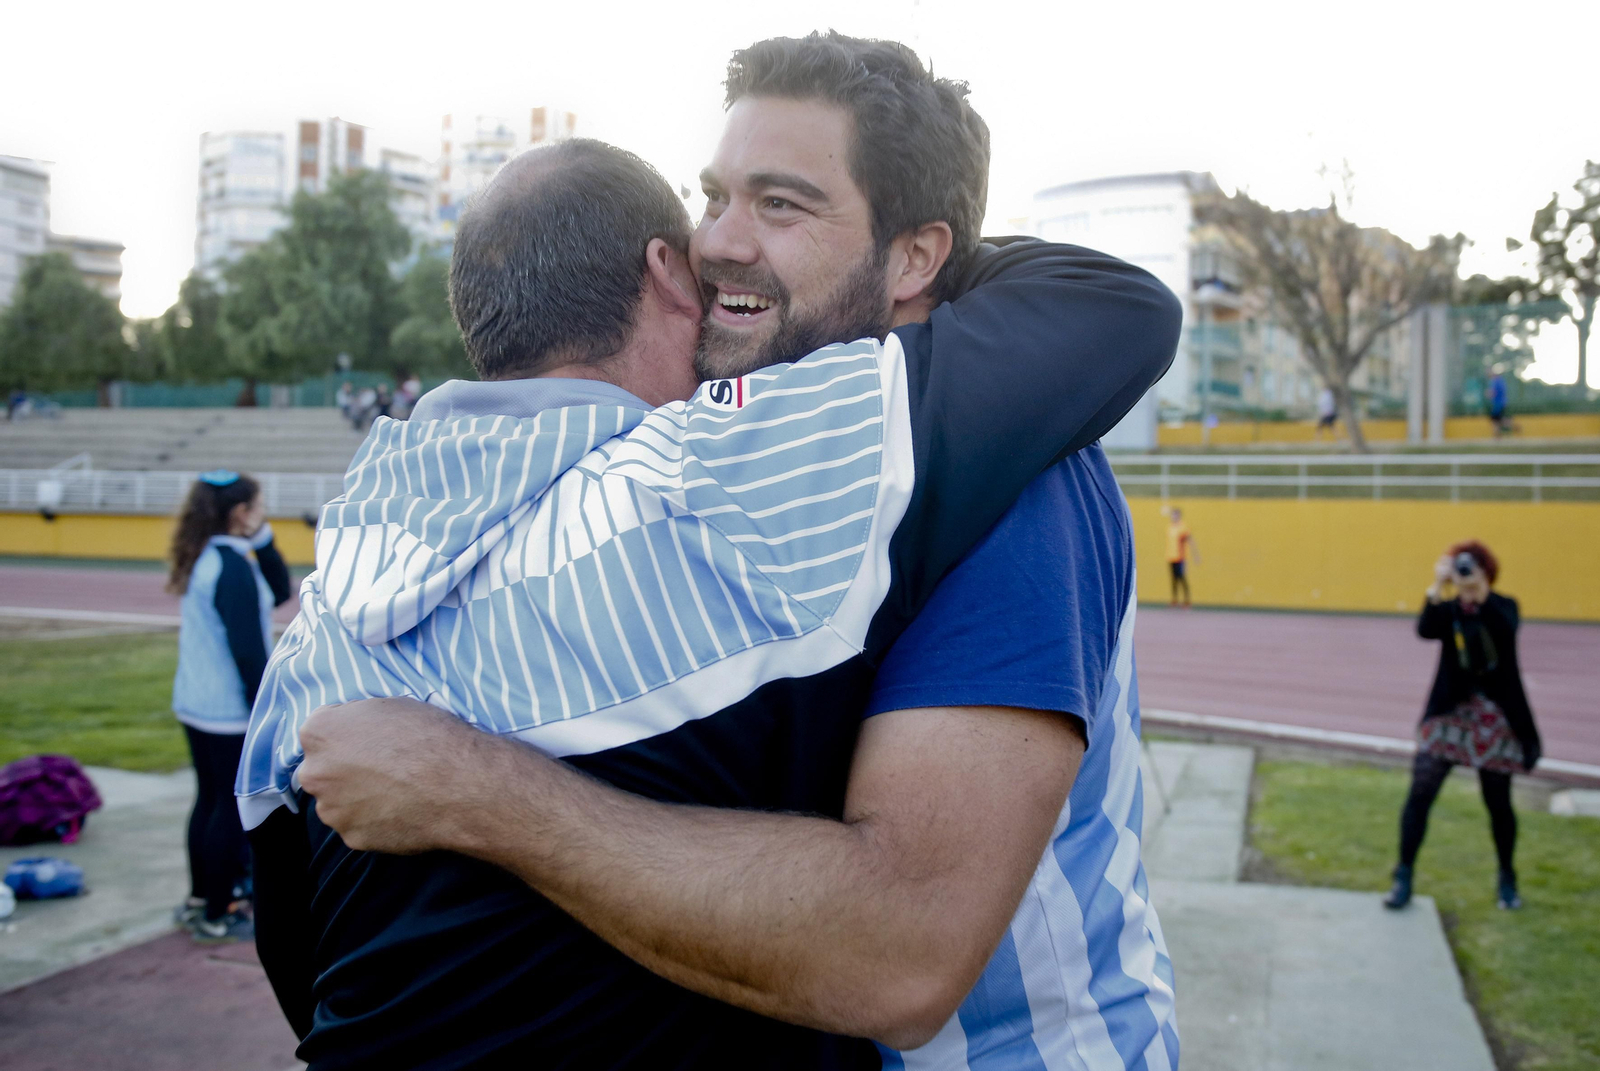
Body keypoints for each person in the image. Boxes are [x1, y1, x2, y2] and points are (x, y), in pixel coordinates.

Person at [245, 34, 1180, 1070]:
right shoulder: (711, 459)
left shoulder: (1010, 470)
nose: (719, 242)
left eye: (781, 206)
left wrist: (471, 786)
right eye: (713, 197)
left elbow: (903, 952)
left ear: (917, 254)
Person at [166, 469, 290, 941]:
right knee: (229, 810)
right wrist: (266, 710)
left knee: (209, 800)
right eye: (258, 507)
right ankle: (220, 910)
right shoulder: (233, 567)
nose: (263, 513)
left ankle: (202, 897)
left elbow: (280, 591)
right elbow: (247, 651)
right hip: (226, 711)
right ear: (241, 512)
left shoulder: (211, 553)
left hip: (197, 701)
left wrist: (264, 538)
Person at [1384, 540, 1541, 912]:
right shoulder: (1450, 610)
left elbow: (1504, 631)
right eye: (1461, 568)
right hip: (1450, 712)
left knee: (1498, 801)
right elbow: (1424, 629)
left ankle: (1507, 877)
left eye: (1472, 568)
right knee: (1420, 789)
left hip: (1495, 716)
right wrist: (1438, 587)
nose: (1467, 575)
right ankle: (1403, 875)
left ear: (1488, 571)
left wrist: (1479, 596)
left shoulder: (1504, 606)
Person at [1164, 505, 1199, 607]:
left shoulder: (1183, 527)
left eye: (1175, 515)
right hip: (1171, 557)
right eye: (1173, 514)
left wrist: (1196, 555)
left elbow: (1190, 541)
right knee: (1173, 579)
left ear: (1179, 516)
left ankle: (1187, 600)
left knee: (1182, 578)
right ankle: (1174, 600)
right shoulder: (1169, 527)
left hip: (1180, 557)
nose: (1173, 516)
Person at [1486, 368, 1513, 436]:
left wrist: (1488, 394)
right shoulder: (1501, 381)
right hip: (1502, 403)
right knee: (1498, 419)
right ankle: (1499, 434)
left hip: (1497, 403)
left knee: (1495, 420)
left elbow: (1493, 393)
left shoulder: (1495, 381)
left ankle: (1497, 435)